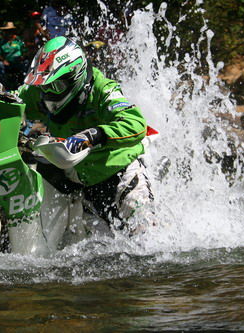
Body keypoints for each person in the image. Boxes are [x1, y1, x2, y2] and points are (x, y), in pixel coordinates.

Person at [18, 36, 154, 234]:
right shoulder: (37, 93)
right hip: (83, 182)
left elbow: (135, 123)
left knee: (147, 238)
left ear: (75, 76)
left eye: (55, 86)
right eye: (44, 86)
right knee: (100, 253)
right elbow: (14, 99)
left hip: (121, 172)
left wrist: (96, 134)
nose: (47, 92)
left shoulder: (103, 89)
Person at [0, 21, 28, 89]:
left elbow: (25, 51)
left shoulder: (19, 41)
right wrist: (3, 60)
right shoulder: (2, 42)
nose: (9, 33)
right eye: (7, 31)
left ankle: (25, 84)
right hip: (7, 63)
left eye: (10, 31)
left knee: (26, 63)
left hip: (19, 62)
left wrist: (22, 58)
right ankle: (3, 84)